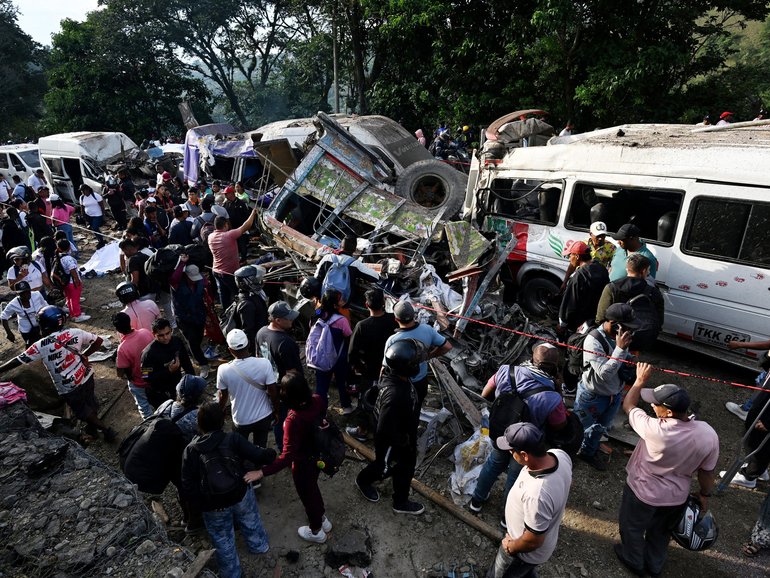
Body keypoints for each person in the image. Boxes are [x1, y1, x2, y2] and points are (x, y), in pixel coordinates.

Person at [617, 366, 718, 577]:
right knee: (661, 532)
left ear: (669, 412)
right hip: (675, 498)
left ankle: (633, 561)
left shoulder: (654, 428)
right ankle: (654, 566)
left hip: (642, 493)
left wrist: (639, 380)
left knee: (632, 528)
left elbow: (629, 404)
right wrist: (704, 495)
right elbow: (706, 473)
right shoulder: (707, 434)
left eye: (656, 404)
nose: (652, 405)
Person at [469, 344, 567, 516]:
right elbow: (559, 425)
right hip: (525, 443)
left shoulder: (506, 371)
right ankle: (506, 517)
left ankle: (476, 501)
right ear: (555, 367)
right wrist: (558, 390)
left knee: (493, 464)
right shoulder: (553, 397)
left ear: (531, 359)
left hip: (500, 432)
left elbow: (485, 394)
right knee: (515, 476)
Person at [181, 402, 275, 578]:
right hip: (240, 493)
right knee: (250, 520)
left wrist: (201, 506)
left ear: (199, 424)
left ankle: (232, 572)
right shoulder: (233, 439)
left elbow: (188, 485)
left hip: (213, 506)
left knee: (222, 538)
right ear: (223, 420)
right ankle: (259, 546)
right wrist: (270, 453)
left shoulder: (191, 450)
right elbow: (260, 455)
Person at [0, 305, 116, 441]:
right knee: (89, 401)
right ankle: (92, 428)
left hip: (68, 386)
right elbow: (98, 341)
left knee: (82, 411)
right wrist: (85, 355)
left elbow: (18, 360)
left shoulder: (41, 345)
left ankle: (106, 430)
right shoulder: (75, 332)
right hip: (86, 375)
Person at [487, 422, 572, 578]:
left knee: (500, 574)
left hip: (522, 554)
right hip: (537, 551)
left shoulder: (538, 494)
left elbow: (532, 541)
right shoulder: (560, 455)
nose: (511, 454)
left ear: (525, 455)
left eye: (512, 451)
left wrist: (511, 547)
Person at [259, 373, 332, 542]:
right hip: (318, 456)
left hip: (302, 463)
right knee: (313, 488)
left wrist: (262, 472)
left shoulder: (293, 420)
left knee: (307, 494)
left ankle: (316, 531)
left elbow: (286, 456)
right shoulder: (318, 400)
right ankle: (322, 519)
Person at [355, 339, 424, 515]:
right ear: (406, 367)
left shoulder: (394, 376)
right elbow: (384, 429)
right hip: (393, 441)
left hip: (404, 437)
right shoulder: (395, 395)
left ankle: (400, 501)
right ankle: (362, 480)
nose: (418, 365)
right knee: (383, 467)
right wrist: (401, 442)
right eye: (415, 362)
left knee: (406, 468)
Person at [573, 303, 638, 471]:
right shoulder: (593, 340)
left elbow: (621, 356)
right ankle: (570, 453)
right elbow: (604, 373)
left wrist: (628, 357)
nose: (630, 332)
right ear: (614, 324)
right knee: (581, 427)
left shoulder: (622, 336)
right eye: (627, 327)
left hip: (613, 394)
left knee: (601, 427)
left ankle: (588, 452)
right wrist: (619, 349)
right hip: (592, 396)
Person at [346, 288, 398, 440]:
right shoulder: (393, 320)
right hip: (391, 370)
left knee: (365, 401)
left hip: (370, 371)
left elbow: (351, 354)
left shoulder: (362, 326)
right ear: (383, 303)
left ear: (366, 305)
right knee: (389, 402)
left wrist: (359, 368)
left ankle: (362, 431)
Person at [217, 328, 278, 452]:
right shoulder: (264, 364)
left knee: (240, 449)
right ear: (249, 344)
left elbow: (223, 396)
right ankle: (258, 468)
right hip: (264, 416)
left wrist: (220, 412)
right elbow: (273, 391)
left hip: (240, 419)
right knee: (260, 447)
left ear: (230, 349)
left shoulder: (223, 369)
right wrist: (276, 411)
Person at [383, 300, 452, 407]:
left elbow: (385, 366)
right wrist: (429, 356)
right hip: (420, 381)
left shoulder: (393, 340)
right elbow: (447, 346)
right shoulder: (427, 330)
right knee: (416, 407)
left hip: (401, 384)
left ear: (396, 319)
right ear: (414, 315)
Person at [256, 301, 303, 450]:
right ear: (277, 320)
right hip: (285, 390)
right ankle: (286, 448)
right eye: (288, 318)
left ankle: (281, 444)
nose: (291, 320)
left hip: (268, 386)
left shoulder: (261, 332)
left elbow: (258, 357)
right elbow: (292, 373)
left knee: (276, 417)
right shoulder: (285, 343)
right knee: (286, 419)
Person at [311, 288, 354, 414]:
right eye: (339, 301)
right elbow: (348, 335)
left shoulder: (316, 314)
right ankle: (346, 406)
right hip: (339, 357)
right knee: (342, 383)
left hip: (321, 355)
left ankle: (320, 412)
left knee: (321, 386)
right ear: (335, 304)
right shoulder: (341, 320)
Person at [595, 252, 664, 327]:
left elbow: (601, 318)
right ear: (644, 271)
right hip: (642, 335)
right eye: (648, 270)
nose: (649, 272)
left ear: (627, 269)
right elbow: (659, 320)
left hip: (615, 333)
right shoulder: (654, 292)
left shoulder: (611, 288)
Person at [208, 207, 258, 309]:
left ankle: (226, 314)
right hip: (228, 273)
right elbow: (246, 226)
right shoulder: (229, 235)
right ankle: (239, 313)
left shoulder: (211, 236)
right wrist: (253, 213)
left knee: (224, 294)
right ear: (225, 225)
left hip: (216, 271)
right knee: (238, 293)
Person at [140, 317, 196, 408]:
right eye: (161, 335)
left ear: (171, 330)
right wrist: (168, 371)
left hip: (177, 386)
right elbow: (146, 377)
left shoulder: (176, 341)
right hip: (160, 394)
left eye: (168, 333)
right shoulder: (148, 354)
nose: (165, 338)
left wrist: (193, 381)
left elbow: (186, 363)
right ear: (154, 334)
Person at [169, 255, 210, 378]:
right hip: (183, 317)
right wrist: (182, 263)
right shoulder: (176, 284)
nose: (194, 280)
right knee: (192, 340)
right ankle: (203, 363)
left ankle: (194, 353)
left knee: (198, 338)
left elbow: (206, 286)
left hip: (199, 315)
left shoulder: (200, 281)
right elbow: (173, 278)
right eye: (191, 278)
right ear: (185, 275)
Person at [557, 241, 609, 336]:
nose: (569, 259)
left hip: (578, 324)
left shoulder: (578, 277)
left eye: (569, 256)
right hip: (596, 319)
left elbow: (569, 305)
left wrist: (562, 325)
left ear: (577, 256)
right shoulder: (601, 268)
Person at [313, 235, 379, 307]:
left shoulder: (327, 257)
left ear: (340, 246)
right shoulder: (356, 264)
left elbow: (316, 277)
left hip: (324, 298)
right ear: (354, 250)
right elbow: (375, 277)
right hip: (342, 303)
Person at [113, 311, 155, 419]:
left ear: (117, 330)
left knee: (144, 406)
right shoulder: (145, 332)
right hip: (154, 375)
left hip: (139, 381)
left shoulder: (122, 348)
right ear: (129, 321)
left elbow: (121, 373)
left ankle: (151, 423)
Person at [232, 265, 269, 356]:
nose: (259, 281)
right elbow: (248, 330)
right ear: (246, 283)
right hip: (257, 342)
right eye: (255, 280)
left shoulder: (251, 294)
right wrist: (254, 350)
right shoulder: (247, 305)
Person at [51, 238, 89, 323]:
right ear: (69, 247)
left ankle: (73, 313)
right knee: (75, 299)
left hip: (65, 282)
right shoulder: (68, 258)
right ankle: (77, 315)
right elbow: (72, 270)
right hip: (72, 282)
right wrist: (77, 280)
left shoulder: (58, 257)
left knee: (69, 298)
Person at [1, 281, 47, 345]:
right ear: (18, 294)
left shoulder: (37, 295)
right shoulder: (13, 304)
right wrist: (9, 333)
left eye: (28, 292)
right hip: (27, 331)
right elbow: (3, 316)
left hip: (42, 325)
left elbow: (46, 306)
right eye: (22, 293)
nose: (26, 295)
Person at [222, 184, 251, 262]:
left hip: (241, 229)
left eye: (226, 194)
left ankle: (244, 259)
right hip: (231, 229)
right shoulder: (226, 204)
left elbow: (247, 215)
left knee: (242, 245)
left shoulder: (241, 203)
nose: (225, 196)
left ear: (231, 193)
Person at [78, 184, 105, 249]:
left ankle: (101, 241)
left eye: (83, 191)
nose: (82, 192)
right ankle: (100, 239)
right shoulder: (82, 197)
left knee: (95, 227)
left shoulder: (96, 196)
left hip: (97, 214)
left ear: (87, 190)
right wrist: (83, 215)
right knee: (93, 228)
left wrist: (103, 215)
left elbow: (102, 205)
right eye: (81, 191)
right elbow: (82, 207)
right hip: (88, 215)